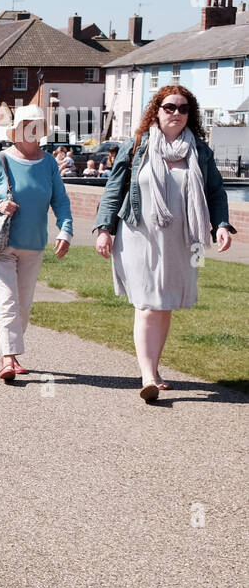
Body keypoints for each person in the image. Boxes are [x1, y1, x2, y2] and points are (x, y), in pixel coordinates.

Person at [92, 85, 235, 402]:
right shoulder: (138, 146)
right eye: (170, 107)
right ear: (156, 110)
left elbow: (215, 192)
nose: (177, 113)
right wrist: (105, 228)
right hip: (139, 236)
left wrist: (221, 224)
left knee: (165, 303)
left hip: (183, 239)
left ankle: (154, 369)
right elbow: (115, 190)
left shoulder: (198, 150)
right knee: (146, 304)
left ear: (190, 115)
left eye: (184, 109)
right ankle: (147, 376)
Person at [0, 104, 73, 382]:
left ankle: (9, 351)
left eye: (38, 129)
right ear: (17, 132)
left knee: (23, 305)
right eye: (29, 129)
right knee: (9, 300)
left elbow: (60, 201)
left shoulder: (49, 163)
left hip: (34, 244)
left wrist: (65, 232)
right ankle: (8, 358)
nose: (34, 135)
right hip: (1, 245)